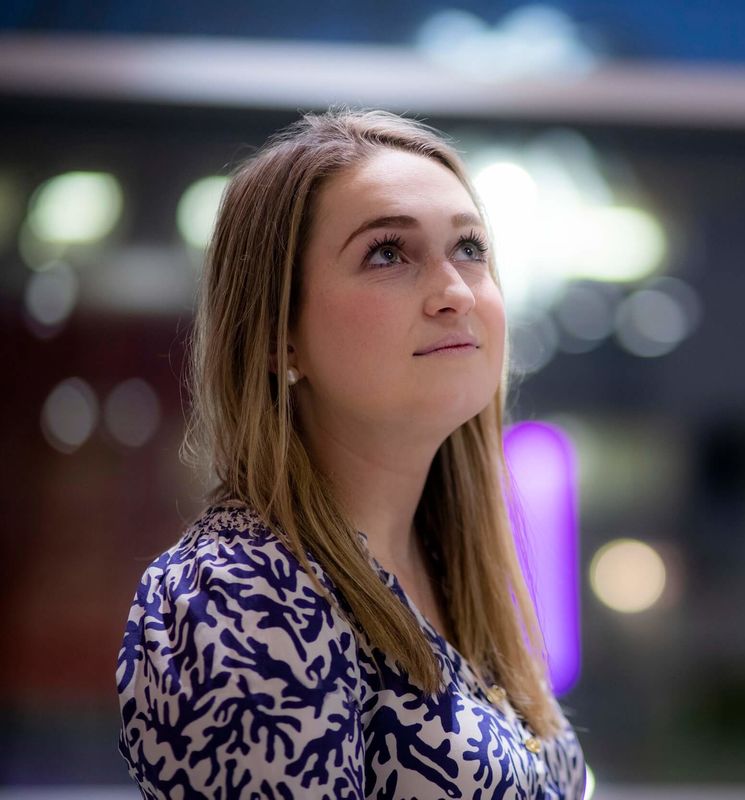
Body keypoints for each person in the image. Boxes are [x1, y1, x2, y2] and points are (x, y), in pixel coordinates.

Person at [115, 107, 586, 798]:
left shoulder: (453, 570)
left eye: (470, 248)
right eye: (388, 253)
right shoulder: (243, 597)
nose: (455, 292)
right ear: (280, 337)